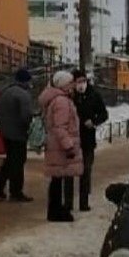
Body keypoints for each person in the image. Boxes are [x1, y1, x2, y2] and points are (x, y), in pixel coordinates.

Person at [39, 70, 83, 222]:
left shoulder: (57, 99)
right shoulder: (62, 101)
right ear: (64, 84)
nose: (73, 85)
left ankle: (56, 209)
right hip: (60, 147)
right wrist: (68, 145)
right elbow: (60, 126)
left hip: (56, 145)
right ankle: (56, 211)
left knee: (57, 179)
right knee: (58, 179)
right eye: (70, 82)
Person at [0, 68, 35, 202]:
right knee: (18, 162)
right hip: (18, 133)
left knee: (10, 160)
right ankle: (16, 191)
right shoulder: (23, 95)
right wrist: (29, 127)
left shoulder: (5, 91)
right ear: (26, 81)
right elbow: (25, 116)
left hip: (5, 131)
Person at [71, 68, 109, 211]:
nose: (81, 84)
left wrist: (93, 121)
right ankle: (68, 204)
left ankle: (84, 202)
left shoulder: (94, 95)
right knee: (69, 172)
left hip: (87, 140)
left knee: (86, 172)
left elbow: (104, 114)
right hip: (72, 140)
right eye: (78, 82)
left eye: (83, 81)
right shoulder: (70, 96)